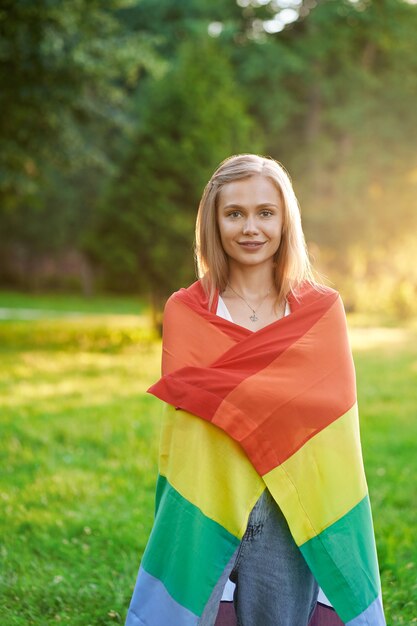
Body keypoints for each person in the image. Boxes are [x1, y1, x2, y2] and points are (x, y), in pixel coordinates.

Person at [125, 154, 385, 626]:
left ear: (286, 221)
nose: (251, 228)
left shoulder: (321, 311)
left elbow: (331, 419)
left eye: (266, 213)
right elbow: (193, 424)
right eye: (235, 213)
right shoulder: (186, 310)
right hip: (207, 498)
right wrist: (273, 401)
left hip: (290, 507)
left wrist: (239, 399)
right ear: (214, 221)